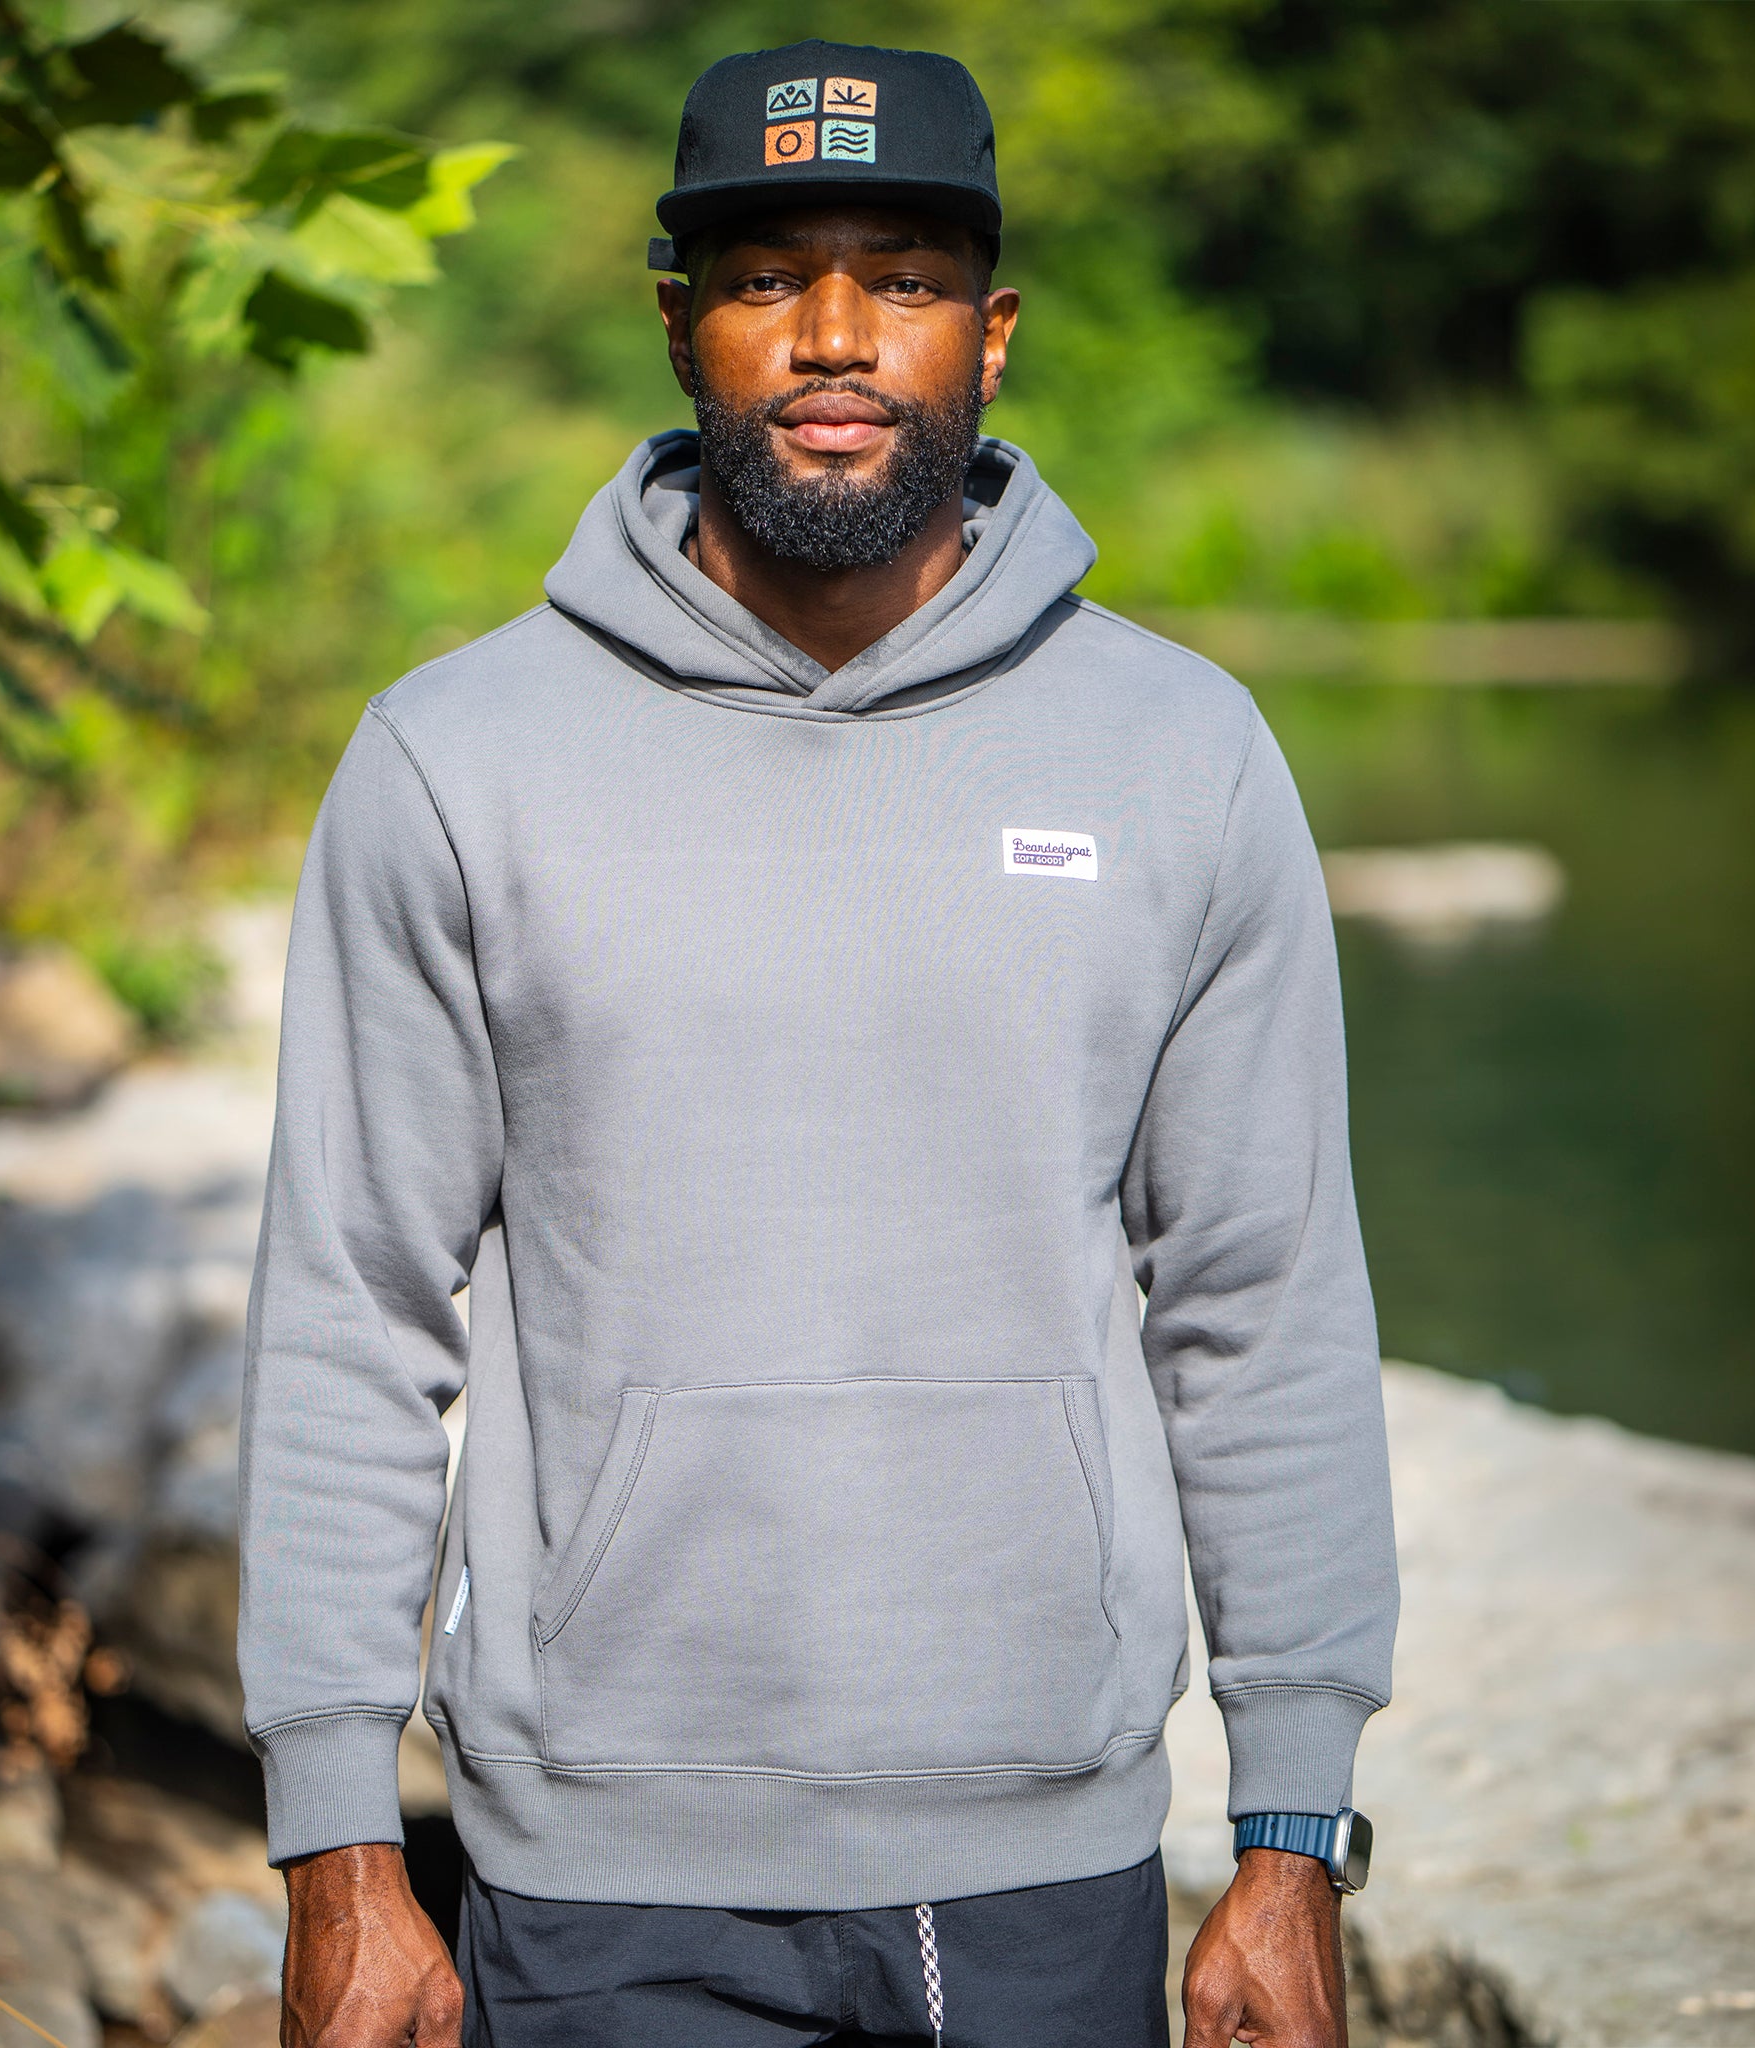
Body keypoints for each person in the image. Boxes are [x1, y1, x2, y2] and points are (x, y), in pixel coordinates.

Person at [241, 38, 1398, 2048]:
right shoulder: (456, 760)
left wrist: (1291, 1828)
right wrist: (340, 1848)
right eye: (773, 278)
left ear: (994, 332)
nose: (840, 336)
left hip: (1046, 1856)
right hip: (603, 1882)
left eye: (908, 276)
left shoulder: (1181, 755)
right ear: (685, 326)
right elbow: (349, 1311)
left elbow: (1264, 1305)